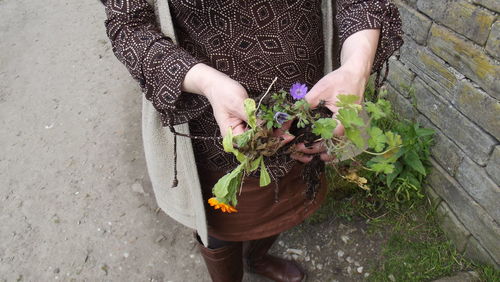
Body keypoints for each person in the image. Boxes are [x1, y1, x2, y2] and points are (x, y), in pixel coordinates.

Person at [100, 1, 403, 281]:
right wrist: (206, 81)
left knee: (286, 205)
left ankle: (256, 258)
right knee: (222, 221)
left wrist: (355, 70)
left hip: (305, 114)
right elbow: (128, 25)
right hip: (216, 129)